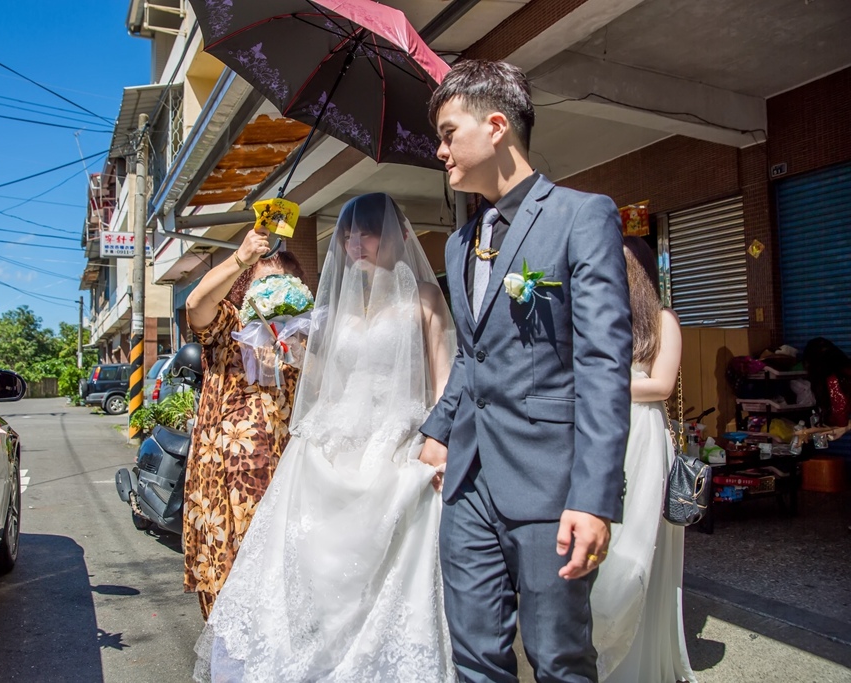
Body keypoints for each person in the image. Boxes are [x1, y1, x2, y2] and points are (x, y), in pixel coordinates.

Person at [419, 59, 633, 682]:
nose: (440, 151)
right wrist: (438, 428)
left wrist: (594, 499)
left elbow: (601, 363)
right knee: (475, 658)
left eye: (448, 133)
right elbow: (472, 352)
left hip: (550, 487)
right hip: (468, 486)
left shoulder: (580, 216)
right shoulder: (459, 243)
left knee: (559, 659)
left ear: (496, 126)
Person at [193, 193, 458, 682]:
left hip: (397, 449)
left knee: (390, 583)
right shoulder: (336, 306)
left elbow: (444, 380)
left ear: (397, 236)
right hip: (334, 446)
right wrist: (288, 345)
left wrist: (439, 441)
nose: (356, 243)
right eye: (348, 234)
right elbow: (322, 377)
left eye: (368, 232)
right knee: (315, 572)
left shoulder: (424, 297)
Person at [183, 227, 308, 619]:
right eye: (264, 280)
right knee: (231, 571)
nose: (275, 290)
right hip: (228, 472)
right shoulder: (229, 325)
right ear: (245, 287)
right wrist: (240, 258)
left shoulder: (305, 335)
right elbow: (196, 304)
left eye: (285, 281)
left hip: (289, 468)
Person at [590, 236, 696, 682]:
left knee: (638, 541)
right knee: (605, 542)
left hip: (644, 435)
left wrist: (598, 387)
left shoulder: (663, 320)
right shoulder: (597, 318)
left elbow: (661, 385)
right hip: (601, 431)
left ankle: (638, 661)